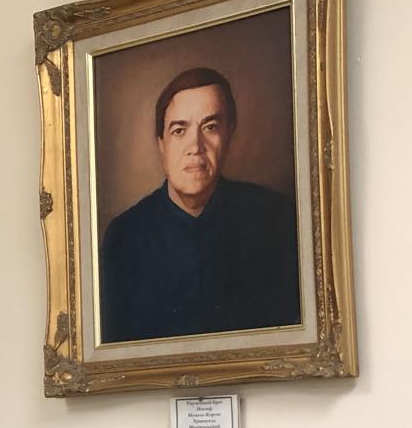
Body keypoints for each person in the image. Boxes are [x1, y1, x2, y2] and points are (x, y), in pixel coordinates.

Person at [97, 66, 301, 344]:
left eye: (210, 127)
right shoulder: (124, 237)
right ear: (161, 144)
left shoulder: (276, 219)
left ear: (229, 135)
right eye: (179, 130)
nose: (195, 146)